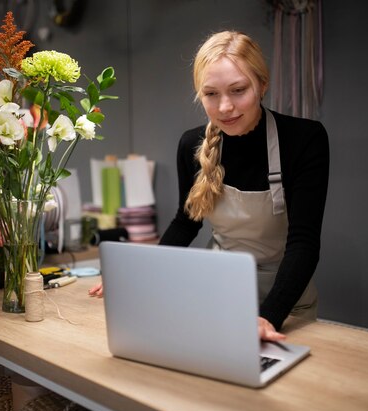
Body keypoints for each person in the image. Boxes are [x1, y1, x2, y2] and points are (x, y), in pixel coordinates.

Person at [89, 31, 329, 342]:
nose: (225, 107)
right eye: (211, 94)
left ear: (262, 85)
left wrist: (268, 317)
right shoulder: (192, 144)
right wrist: (140, 274)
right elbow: (185, 223)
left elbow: (304, 242)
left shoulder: (303, 140)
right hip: (219, 296)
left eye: (238, 90)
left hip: (287, 305)